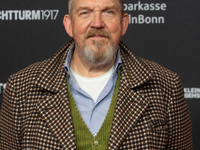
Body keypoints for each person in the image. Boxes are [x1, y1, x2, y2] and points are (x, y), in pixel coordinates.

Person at [0, 0, 193, 149]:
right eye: (85, 13)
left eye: (108, 12)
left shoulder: (166, 86)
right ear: (69, 25)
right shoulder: (20, 88)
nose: (97, 23)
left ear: (124, 23)